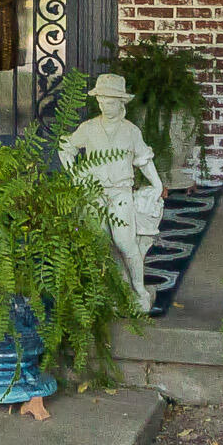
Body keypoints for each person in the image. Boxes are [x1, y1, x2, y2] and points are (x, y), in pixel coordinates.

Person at [64, 73, 164, 311]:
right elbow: (65, 146)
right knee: (99, 242)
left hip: (120, 193)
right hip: (94, 194)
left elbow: (143, 159)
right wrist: (75, 174)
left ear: (121, 103)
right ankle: (106, 290)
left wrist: (158, 184)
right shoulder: (88, 128)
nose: (104, 106)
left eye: (109, 102)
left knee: (125, 242)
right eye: (100, 101)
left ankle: (138, 289)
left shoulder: (130, 131)